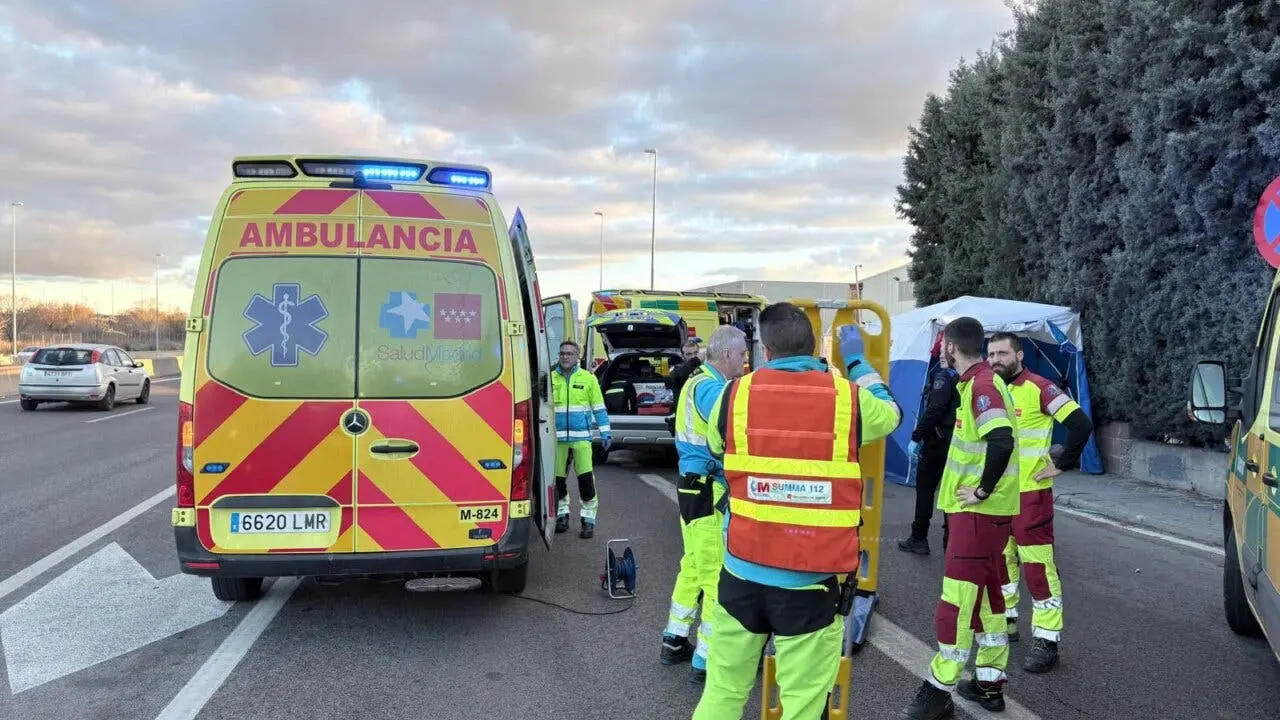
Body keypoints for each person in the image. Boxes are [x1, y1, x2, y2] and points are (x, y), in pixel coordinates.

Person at [691, 303, 902, 720]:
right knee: (803, 707)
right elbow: (890, 413)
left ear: (765, 351)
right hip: (810, 582)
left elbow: (718, 447)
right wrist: (858, 362)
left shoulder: (733, 395)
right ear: (814, 348)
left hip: (741, 575)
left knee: (722, 694)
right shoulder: (848, 400)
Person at [905, 316, 1020, 720]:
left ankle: (938, 690)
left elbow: (1001, 439)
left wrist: (983, 490)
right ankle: (989, 682)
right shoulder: (977, 383)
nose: (939, 349)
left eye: (942, 344)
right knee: (990, 597)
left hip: (977, 514)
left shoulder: (982, 386)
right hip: (984, 516)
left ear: (952, 346)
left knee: (956, 603)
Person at [986, 332, 1093, 671]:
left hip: (1031, 496)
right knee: (1002, 563)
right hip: (998, 496)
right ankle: (1008, 620)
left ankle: (1047, 640)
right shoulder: (990, 390)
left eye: (1002, 353)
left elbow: (1080, 424)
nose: (995, 360)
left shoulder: (1040, 387)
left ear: (1019, 354)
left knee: (1037, 568)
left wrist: (1062, 463)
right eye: (990, 354)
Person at [660, 326, 748, 683]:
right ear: (726, 354)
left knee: (694, 566)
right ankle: (706, 660)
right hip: (709, 489)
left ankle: (674, 639)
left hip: (692, 488)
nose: (745, 361)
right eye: (742, 354)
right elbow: (735, 427)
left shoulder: (697, 382)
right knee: (715, 578)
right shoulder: (713, 389)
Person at [899, 334, 960, 555]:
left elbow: (935, 409)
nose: (938, 352)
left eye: (943, 346)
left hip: (937, 442)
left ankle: (918, 538)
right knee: (951, 493)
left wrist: (916, 437)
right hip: (957, 442)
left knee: (925, 490)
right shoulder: (967, 377)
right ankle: (950, 540)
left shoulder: (943, 377)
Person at [550, 340, 612, 539]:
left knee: (585, 481)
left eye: (569, 353)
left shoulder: (588, 378)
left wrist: (605, 433)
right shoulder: (549, 378)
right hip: (557, 439)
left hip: (581, 439)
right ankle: (562, 515)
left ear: (577, 357)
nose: (565, 356)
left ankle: (588, 520)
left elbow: (599, 407)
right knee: (558, 481)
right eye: (562, 353)